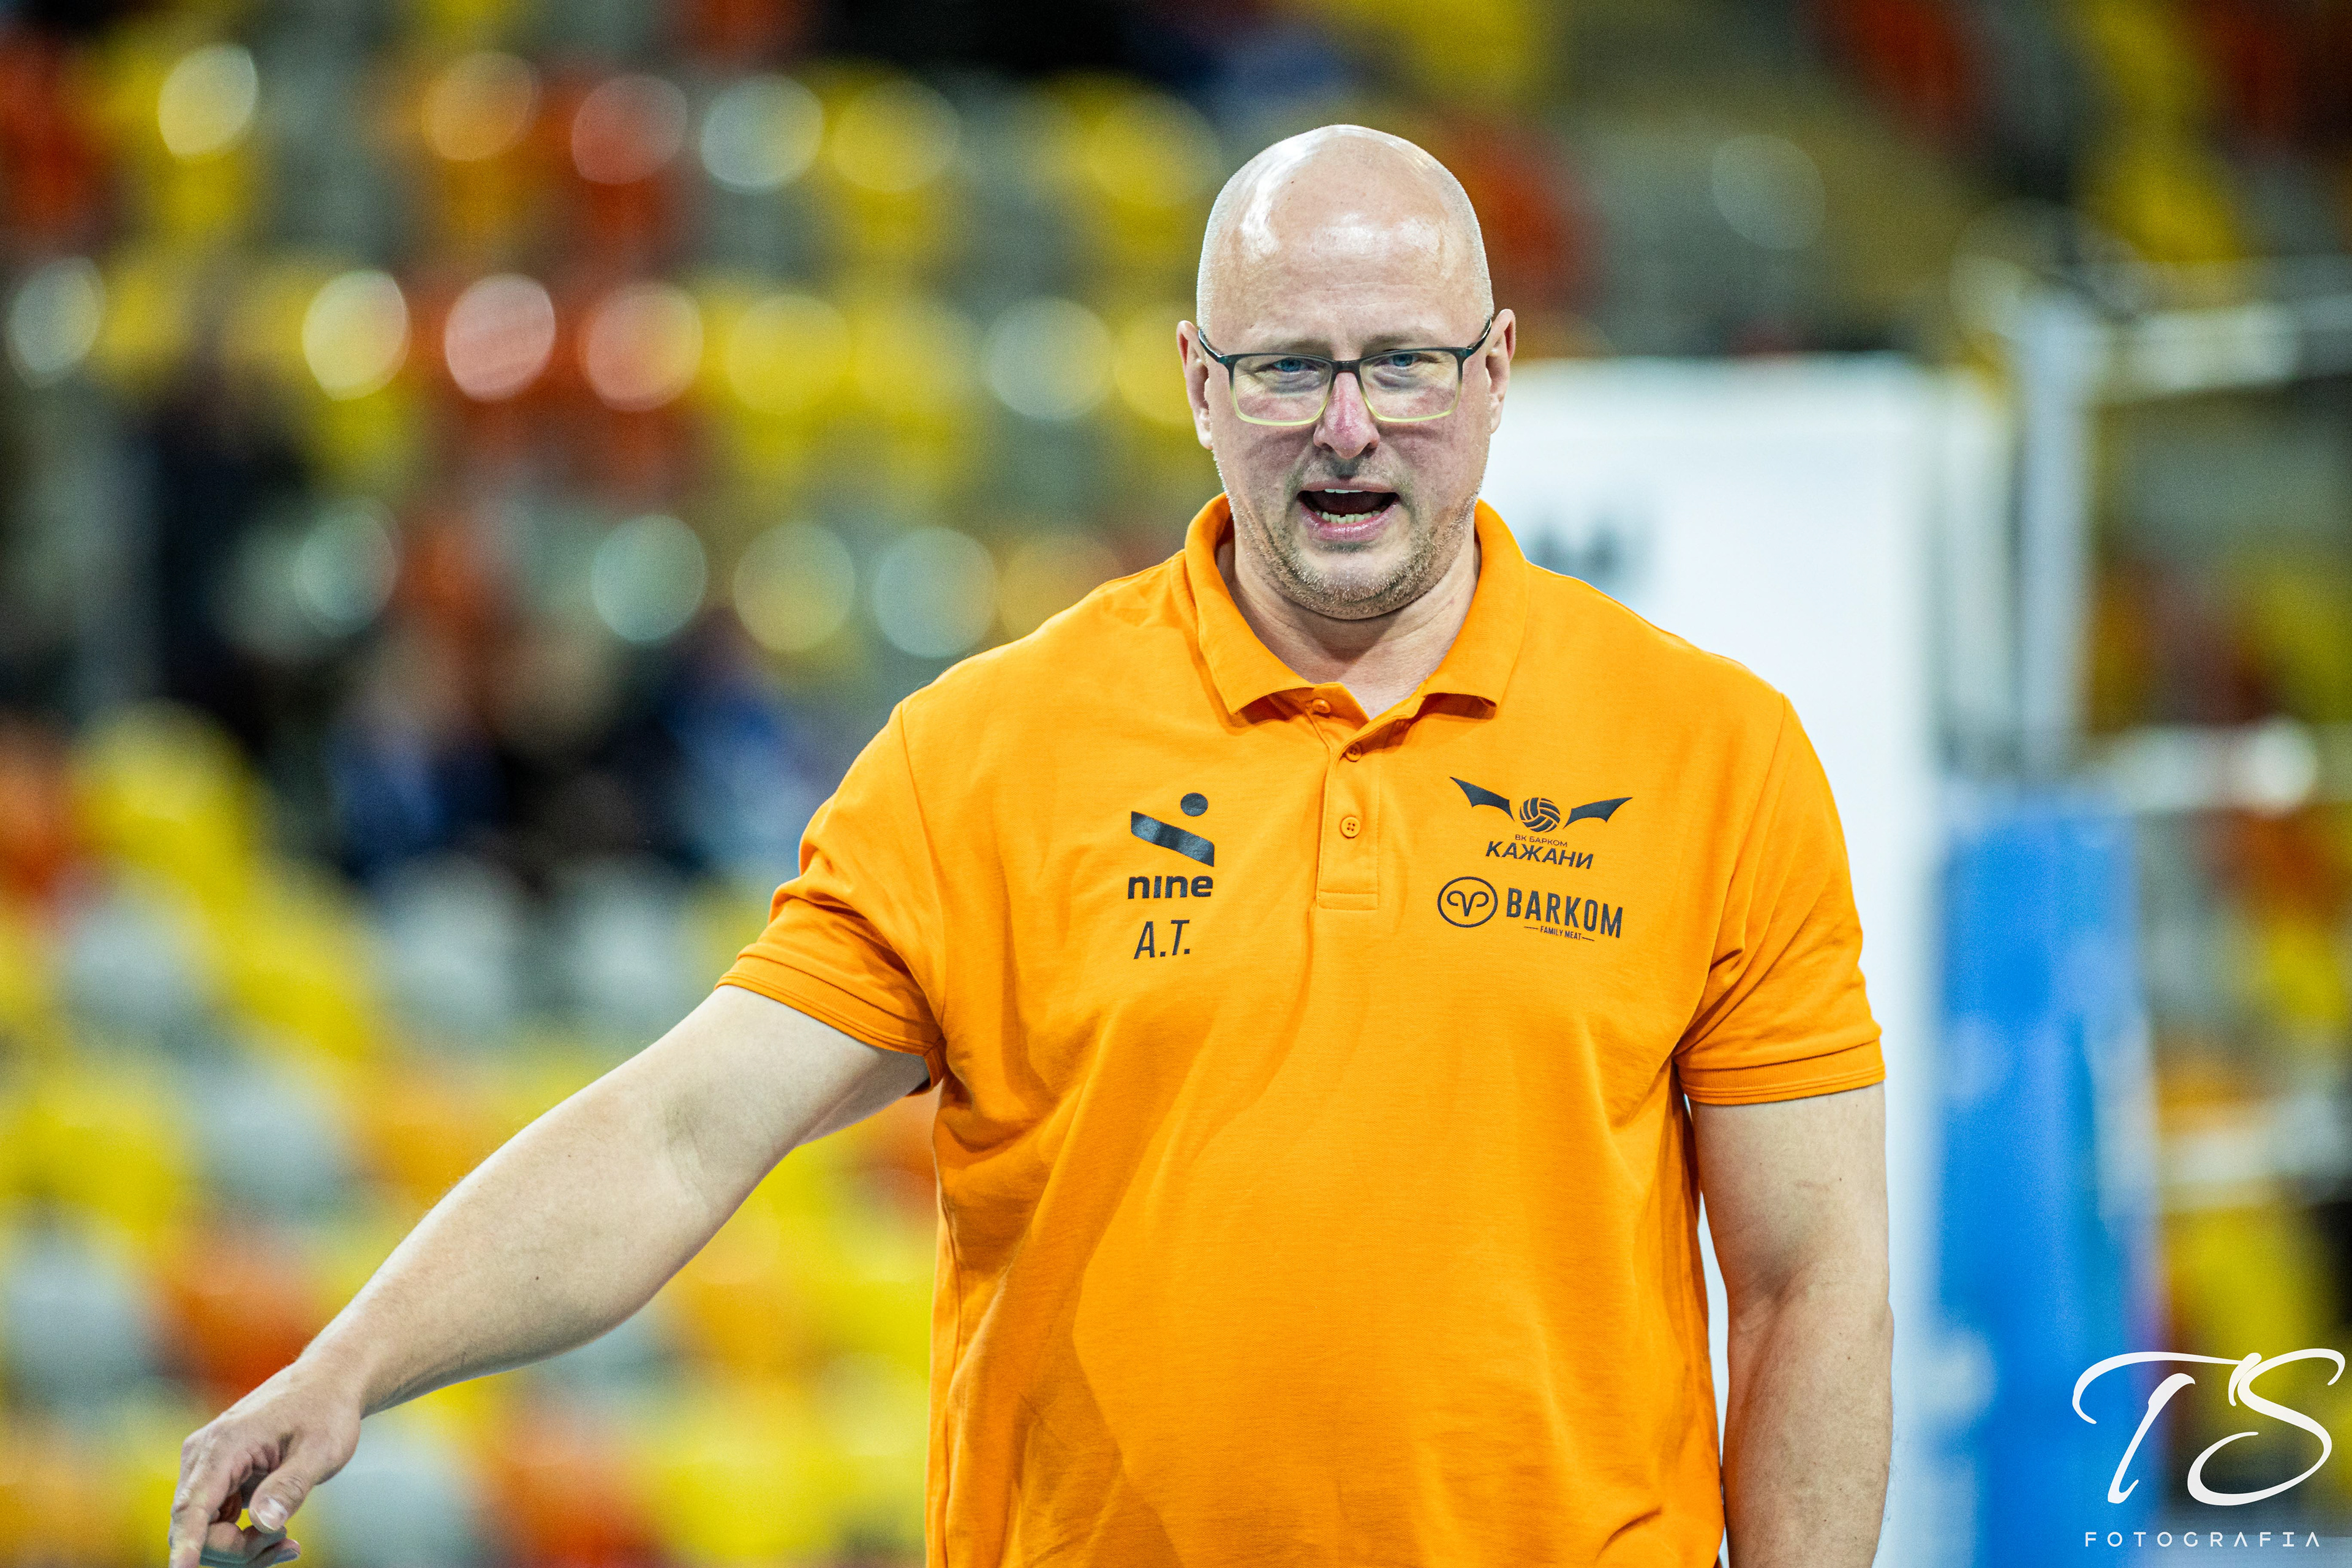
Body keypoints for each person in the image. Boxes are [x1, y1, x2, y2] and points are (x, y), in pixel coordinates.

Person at [168, 125, 1891, 1568]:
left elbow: (1809, 1281)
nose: (1348, 423)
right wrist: (350, 1363)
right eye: (1287, 367)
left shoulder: (1711, 754)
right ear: (1199, 385)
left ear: (1497, 374)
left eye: (1404, 363)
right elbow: (684, 1130)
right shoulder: (988, 754)